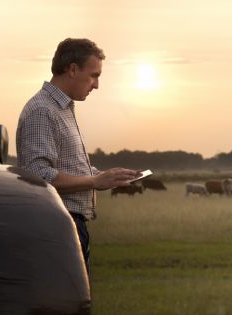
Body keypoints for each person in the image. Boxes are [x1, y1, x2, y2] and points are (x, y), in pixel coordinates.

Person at [16, 38, 141, 276]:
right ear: (73, 69)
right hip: (56, 228)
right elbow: (37, 177)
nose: (96, 85)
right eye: (94, 75)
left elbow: (64, 169)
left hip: (66, 227)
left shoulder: (60, 109)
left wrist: (106, 177)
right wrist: (94, 182)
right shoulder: (43, 111)